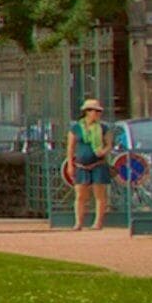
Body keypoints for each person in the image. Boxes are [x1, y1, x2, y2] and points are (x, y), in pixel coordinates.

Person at [61, 99, 115, 231]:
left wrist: (104, 151)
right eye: (93, 111)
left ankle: (98, 223)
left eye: (98, 111)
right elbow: (71, 147)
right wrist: (70, 165)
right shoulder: (76, 128)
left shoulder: (103, 128)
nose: (96, 113)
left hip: (98, 163)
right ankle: (78, 222)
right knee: (80, 195)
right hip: (81, 165)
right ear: (86, 112)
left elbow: (109, 145)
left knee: (99, 194)